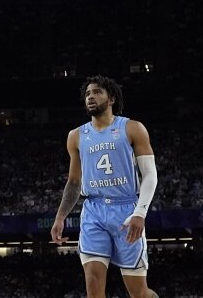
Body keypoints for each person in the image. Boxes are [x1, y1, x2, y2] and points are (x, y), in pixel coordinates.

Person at [51, 75, 159, 298]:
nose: (90, 96)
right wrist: (61, 217)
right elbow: (73, 182)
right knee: (93, 284)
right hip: (94, 210)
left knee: (139, 293)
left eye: (97, 92)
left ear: (111, 99)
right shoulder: (76, 136)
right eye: (88, 94)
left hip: (126, 210)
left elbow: (150, 175)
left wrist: (140, 212)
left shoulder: (133, 128)